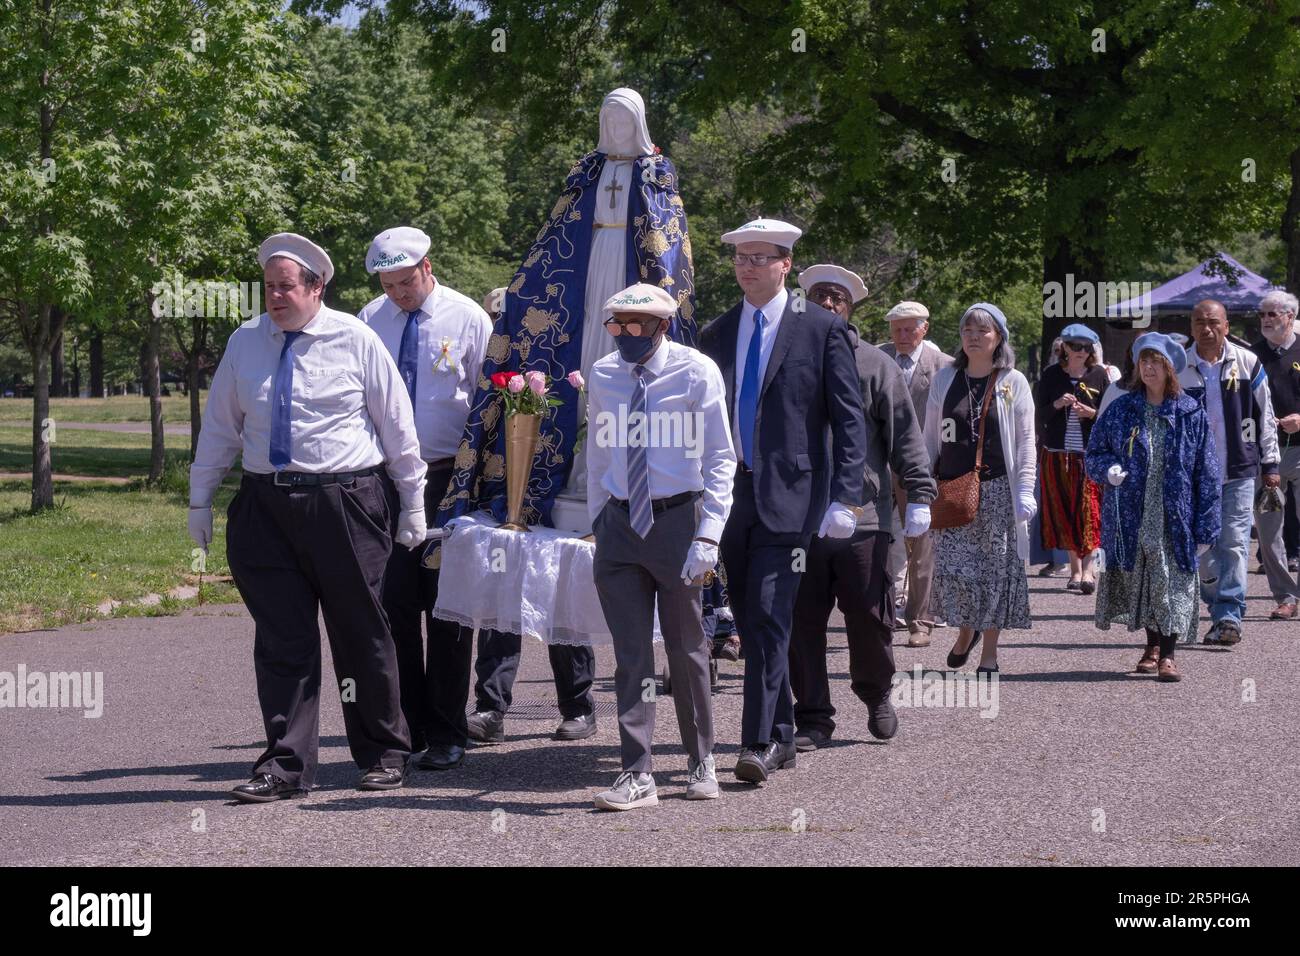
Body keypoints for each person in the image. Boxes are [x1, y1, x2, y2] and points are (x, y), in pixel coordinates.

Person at [188, 233, 426, 802]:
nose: (274, 296)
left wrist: (413, 502)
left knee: (361, 631)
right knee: (281, 638)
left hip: (345, 502)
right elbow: (221, 426)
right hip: (265, 506)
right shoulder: (245, 343)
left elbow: (396, 427)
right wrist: (200, 501)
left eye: (285, 286)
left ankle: (384, 752)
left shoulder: (355, 339)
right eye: (268, 286)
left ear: (316, 288)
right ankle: (285, 764)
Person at [698, 218, 867, 784]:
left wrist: (846, 496)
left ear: (786, 264)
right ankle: (786, 735)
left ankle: (758, 742)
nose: (748, 266)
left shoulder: (820, 328)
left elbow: (849, 418)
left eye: (759, 257)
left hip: (794, 497)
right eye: (741, 257)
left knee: (769, 616)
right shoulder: (717, 334)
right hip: (730, 496)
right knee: (748, 614)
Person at [587, 284, 736, 810]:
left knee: (686, 648)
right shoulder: (604, 375)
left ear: (662, 326)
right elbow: (600, 449)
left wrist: (708, 534)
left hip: (678, 519)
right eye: (617, 326)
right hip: (621, 523)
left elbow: (720, 457)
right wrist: (597, 518)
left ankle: (701, 758)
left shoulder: (696, 371)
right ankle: (637, 772)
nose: (625, 337)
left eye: (636, 327)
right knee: (630, 655)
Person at [356, 227, 493, 772]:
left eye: (406, 282)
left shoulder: (467, 318)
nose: (399, 294)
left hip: (449, 479)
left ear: (428, 267)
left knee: (448, 609)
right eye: (389, 285)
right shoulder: (369, 320)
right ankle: (406, 727)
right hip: (386, 480)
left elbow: (489, 401)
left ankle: (447, 729)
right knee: (394, 606)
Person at [788, 266, 934, 752]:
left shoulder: (874, 364)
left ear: (850, 308)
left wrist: (920, 493)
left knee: (870, 618)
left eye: (838, 299)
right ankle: (811, 715)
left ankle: (876, 695)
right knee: (801, 620)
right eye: (819, 297)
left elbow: (904, 434)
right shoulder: (786, 357)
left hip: (864, 517)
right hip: (800, 518)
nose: (828, 304)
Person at [464, 289, 600, 745]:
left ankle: (578, 705)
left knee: (564, 598)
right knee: (500, 603)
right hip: (504, 497)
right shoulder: (495, 371)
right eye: (498, 320)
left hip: (556, 493)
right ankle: (490, 707)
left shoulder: (561, 364)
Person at [1088, 333, 1220, 682]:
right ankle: (1150, 648)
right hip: (1133, 509)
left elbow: (1207, 471)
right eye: (1143, 361)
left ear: (1170, 368)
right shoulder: (1122, 408)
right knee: (1144, 577)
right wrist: (1108, 470)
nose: (1148, 367)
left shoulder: (1191, 412)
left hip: (1175, 513)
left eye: (1156, 361)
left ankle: (1169, 655)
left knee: (1172, 579)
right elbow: (1095, 453)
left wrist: (1207, 525)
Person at [923, 304, 1036, 675]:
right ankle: (964, 631)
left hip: (998, 489)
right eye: (967, 330)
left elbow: (1025, 442)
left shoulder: (1012, 381)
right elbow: (929, 439)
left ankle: (989, 652)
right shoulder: (945, 379)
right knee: (956, 570)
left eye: (982, 331)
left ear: (998, 337)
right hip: (953, 490)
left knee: (993, 572)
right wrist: (922, 485)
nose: (973, 337)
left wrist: (1025, 491)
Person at [1178, 299, 1281, 645]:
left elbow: (1265, 416)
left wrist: (1271, 464)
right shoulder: (1179, 365)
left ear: (1226, 325)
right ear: (1191, 327)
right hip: (1190, 475)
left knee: (1234, 544)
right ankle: (1213, 601)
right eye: (1198, 323)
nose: (1206, 330)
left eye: (1213, 323)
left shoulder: (1248, 362)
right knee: (1202, 549)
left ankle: (1228, 615)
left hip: (1238, 470)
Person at [878, 300, 953, 646]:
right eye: (897, 329)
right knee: (877, 540)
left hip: (922, 465)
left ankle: (920, 620)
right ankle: (881, 612)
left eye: (910, 329)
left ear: (925, 328)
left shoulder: (945, 367)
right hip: (877, 464)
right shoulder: (876, 357)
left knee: (922, 543)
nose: (903, 336)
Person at [1034, 323, 1110, 593]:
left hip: (1090, 454)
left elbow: (1111, 416)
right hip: (1057, 454)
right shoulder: (1052, 375)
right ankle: (1075, 571)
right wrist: (1057, 405)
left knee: (1090, 511)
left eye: (1085, 347)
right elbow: (1039, 415)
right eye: (1074, 346)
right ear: (1064, 347)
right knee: (1065, 512)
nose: (1080, 351)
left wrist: (1091, 413)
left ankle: (1089, 571)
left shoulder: (1100, 375)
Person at [1249, 291, 1300, 619]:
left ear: (1291, 317)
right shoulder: (1250, 357)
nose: (1266, 319)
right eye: (1263, 314)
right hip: (1267, 456)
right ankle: (1285, 596)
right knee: (1268, 532)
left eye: (1273, 314)